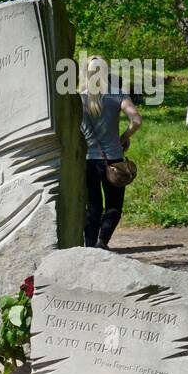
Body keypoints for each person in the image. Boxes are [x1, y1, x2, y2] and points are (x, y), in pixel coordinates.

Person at [81, 57, 141, 249]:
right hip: (113, 160)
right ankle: (102, 242)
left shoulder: (78, 97)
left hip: (87, 160)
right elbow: (136, 121)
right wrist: (123, 138)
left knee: (93, 206)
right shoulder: (117, 95)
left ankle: (89, 247)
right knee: (114, 206)